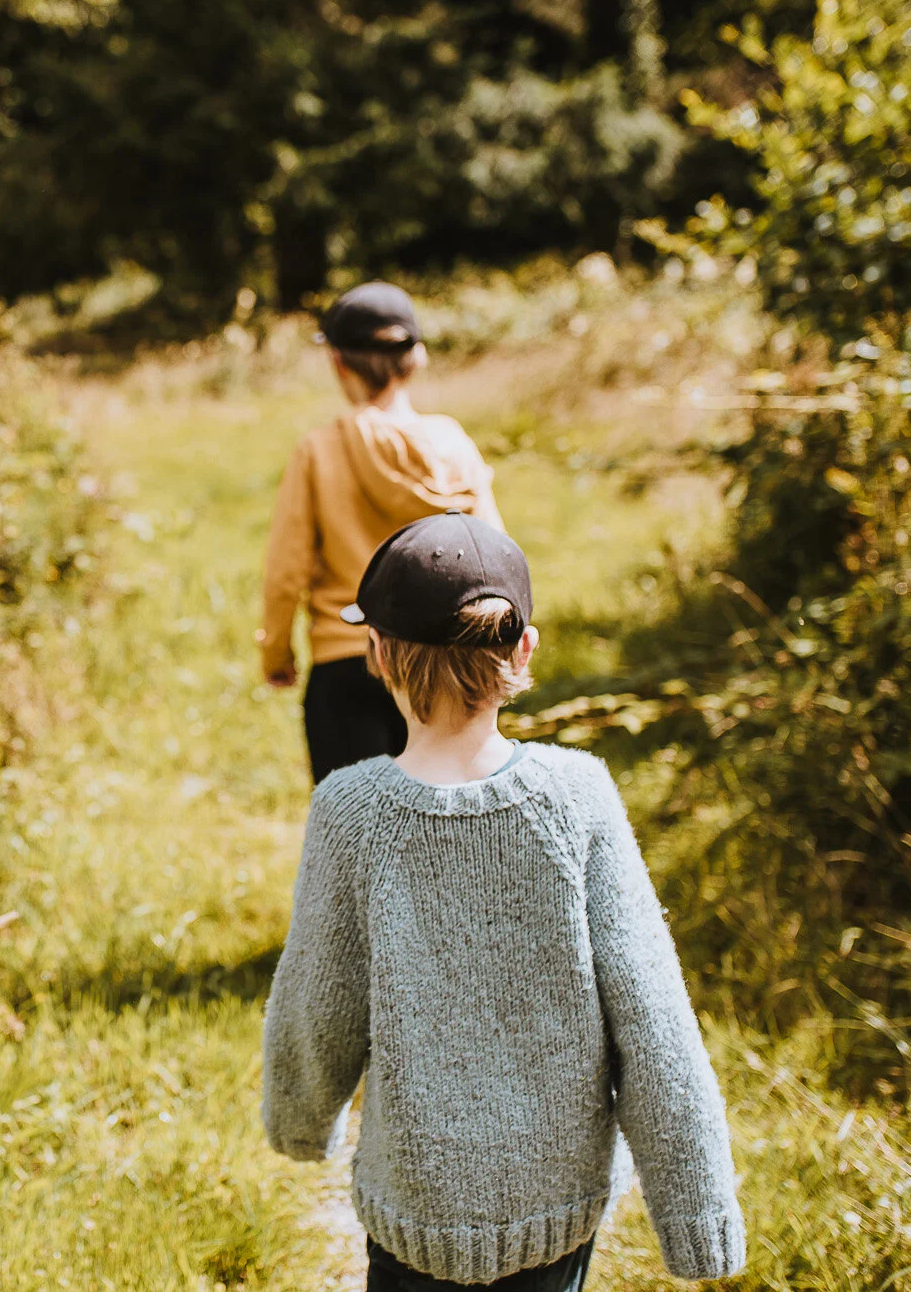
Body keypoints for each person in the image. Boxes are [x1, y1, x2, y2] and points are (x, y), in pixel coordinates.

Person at [260, 512, 746, 1292]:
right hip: (556, 1201)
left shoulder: (349, 810)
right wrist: (697, 1213)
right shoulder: (577, 796)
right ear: (524, 649)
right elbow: (653, 1014)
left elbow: (321, 997)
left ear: (376, 653)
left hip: (414, 1199)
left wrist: (299, 1116)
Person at [260, 281, 502, 785]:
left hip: (346, 664)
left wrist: (277, 652)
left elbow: (287, 569)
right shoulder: (455, 446)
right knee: (445, 840)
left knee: (354, 846)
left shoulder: (320, 450)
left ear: (339, 364)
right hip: (445, 668)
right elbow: (494, 564)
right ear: (415, 360)